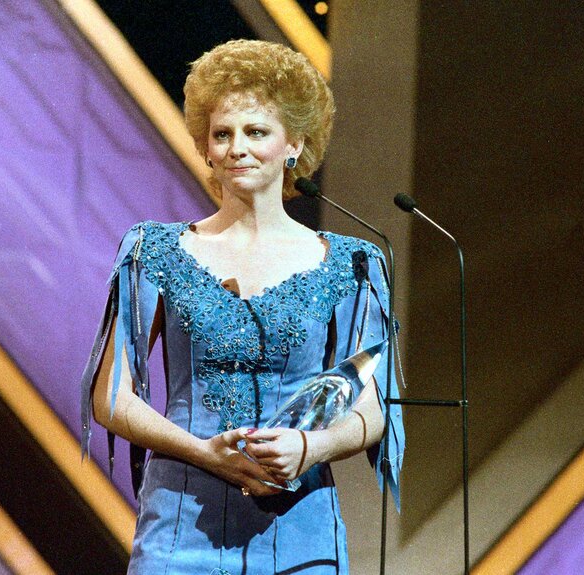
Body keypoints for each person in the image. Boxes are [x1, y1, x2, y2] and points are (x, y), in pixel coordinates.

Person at [80, 39, 404, 575]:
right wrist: (205, 453)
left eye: (256, 132)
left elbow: (374, 409)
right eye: (222, 134)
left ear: (294, 143)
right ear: (205, 147)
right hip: (180, 528)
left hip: (301, 532)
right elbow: (111, 397)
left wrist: (311, 446)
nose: (237, 148)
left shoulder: (354, 264)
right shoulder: (153, 251)